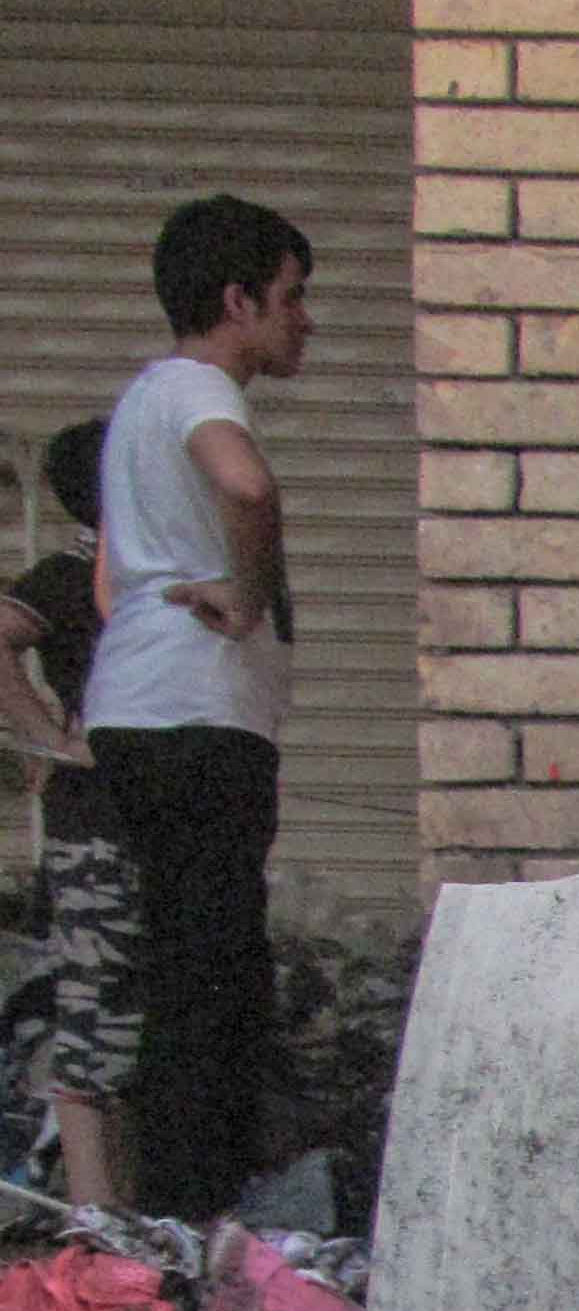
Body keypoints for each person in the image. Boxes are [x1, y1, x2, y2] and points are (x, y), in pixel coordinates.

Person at [83, 196, 312, 1222]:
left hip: (143, 706)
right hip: (197, 720)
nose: (304, 322)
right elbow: (249, 489)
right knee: (215, 981)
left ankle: (177, 1208)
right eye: (292, 298)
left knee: (187, 966)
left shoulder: (143, 402)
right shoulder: (194, 388)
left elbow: (106, 586)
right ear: (237, 299)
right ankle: (193, 1214)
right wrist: (249, 596)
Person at [0, 423, 130, 1211]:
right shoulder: (72, 575)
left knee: (136, 1010)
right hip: (95, 824)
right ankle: (94, 1212)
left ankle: (130, 1209)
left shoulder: (151, 574)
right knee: (95, 1001)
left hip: (155, 818)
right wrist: (43, 743)